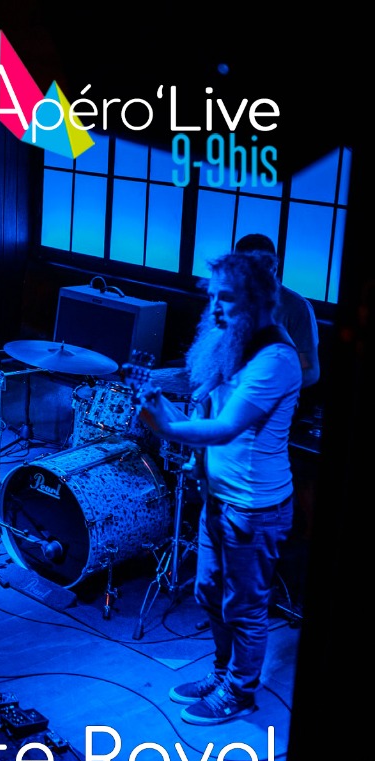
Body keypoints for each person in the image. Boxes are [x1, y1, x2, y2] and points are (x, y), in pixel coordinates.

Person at [135, 250, 301, 725]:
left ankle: (240, 691)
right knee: (209, 591)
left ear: (256, 300)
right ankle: (225, 672)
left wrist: (166, 426)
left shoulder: (276, 358)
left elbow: (227, 429)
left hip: (254, 508)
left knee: (244, 605)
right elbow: (206, 406)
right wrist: (163, 404)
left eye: (225, 298)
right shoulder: (232, 343)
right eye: (212, 297)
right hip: (218, 498)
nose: (215, 308)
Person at [234, 233, 320, 388]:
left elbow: (310, 371)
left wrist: (267, 387)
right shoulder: (233, 299)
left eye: (254, 268)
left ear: (272, 268)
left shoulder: (296, 307)